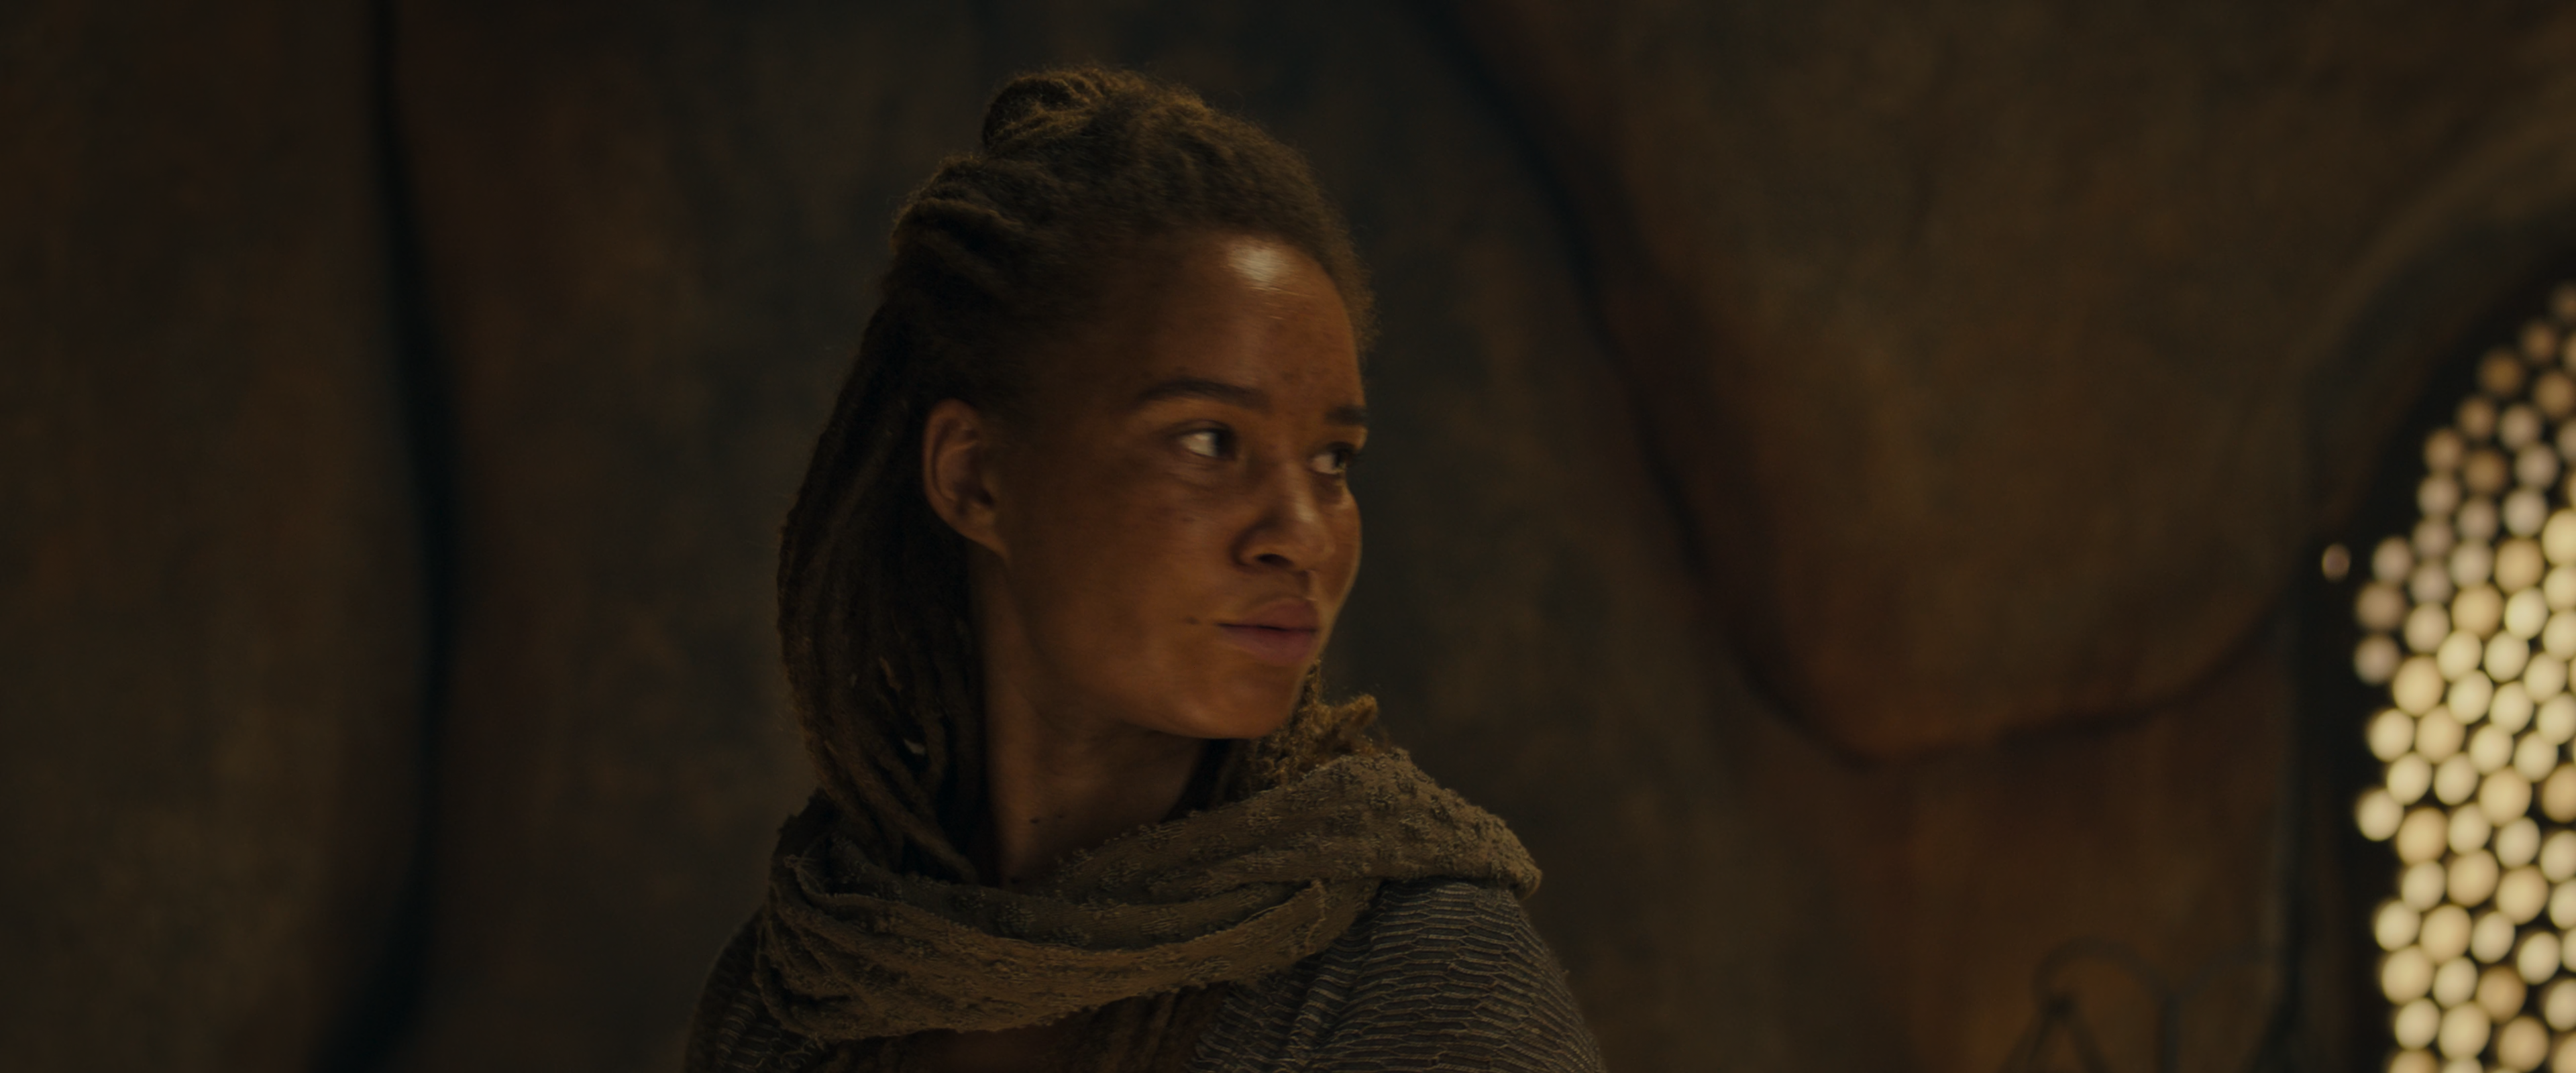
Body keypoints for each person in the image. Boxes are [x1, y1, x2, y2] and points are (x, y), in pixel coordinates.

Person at [684, 66, 1604, 1073]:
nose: (1303, 532)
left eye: (1333, 459)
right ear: (975, 477)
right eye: (1208, 440)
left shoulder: (1425, 990)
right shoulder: (805, 986)